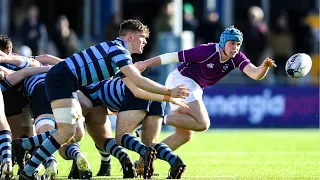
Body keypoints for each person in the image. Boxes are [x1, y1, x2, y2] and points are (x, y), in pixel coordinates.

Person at [18, 19, 189, 180]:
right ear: (130, 36)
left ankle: (24, 152)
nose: (145, 42)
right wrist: (169, 91)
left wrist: (167, 96)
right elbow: (138, 81)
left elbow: (136, 89)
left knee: (68, 132)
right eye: (142, 37)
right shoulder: (118, 49)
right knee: (68, 132)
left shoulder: (119, 55)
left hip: (63, 80)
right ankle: (26, 164)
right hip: (61, 80)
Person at [134, 26, 276, 152]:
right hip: (181, 80)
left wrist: (264, 67)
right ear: (223, 43)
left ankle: (145, 159)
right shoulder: (206, 51)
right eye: (232, 43)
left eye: (238, 44)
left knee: (184, 135)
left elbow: (256, 74)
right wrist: (144, 63)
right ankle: (152, 119)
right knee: (203, 123)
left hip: (194, 86)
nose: (235, 47)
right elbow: (173, 57)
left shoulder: (237, 57)